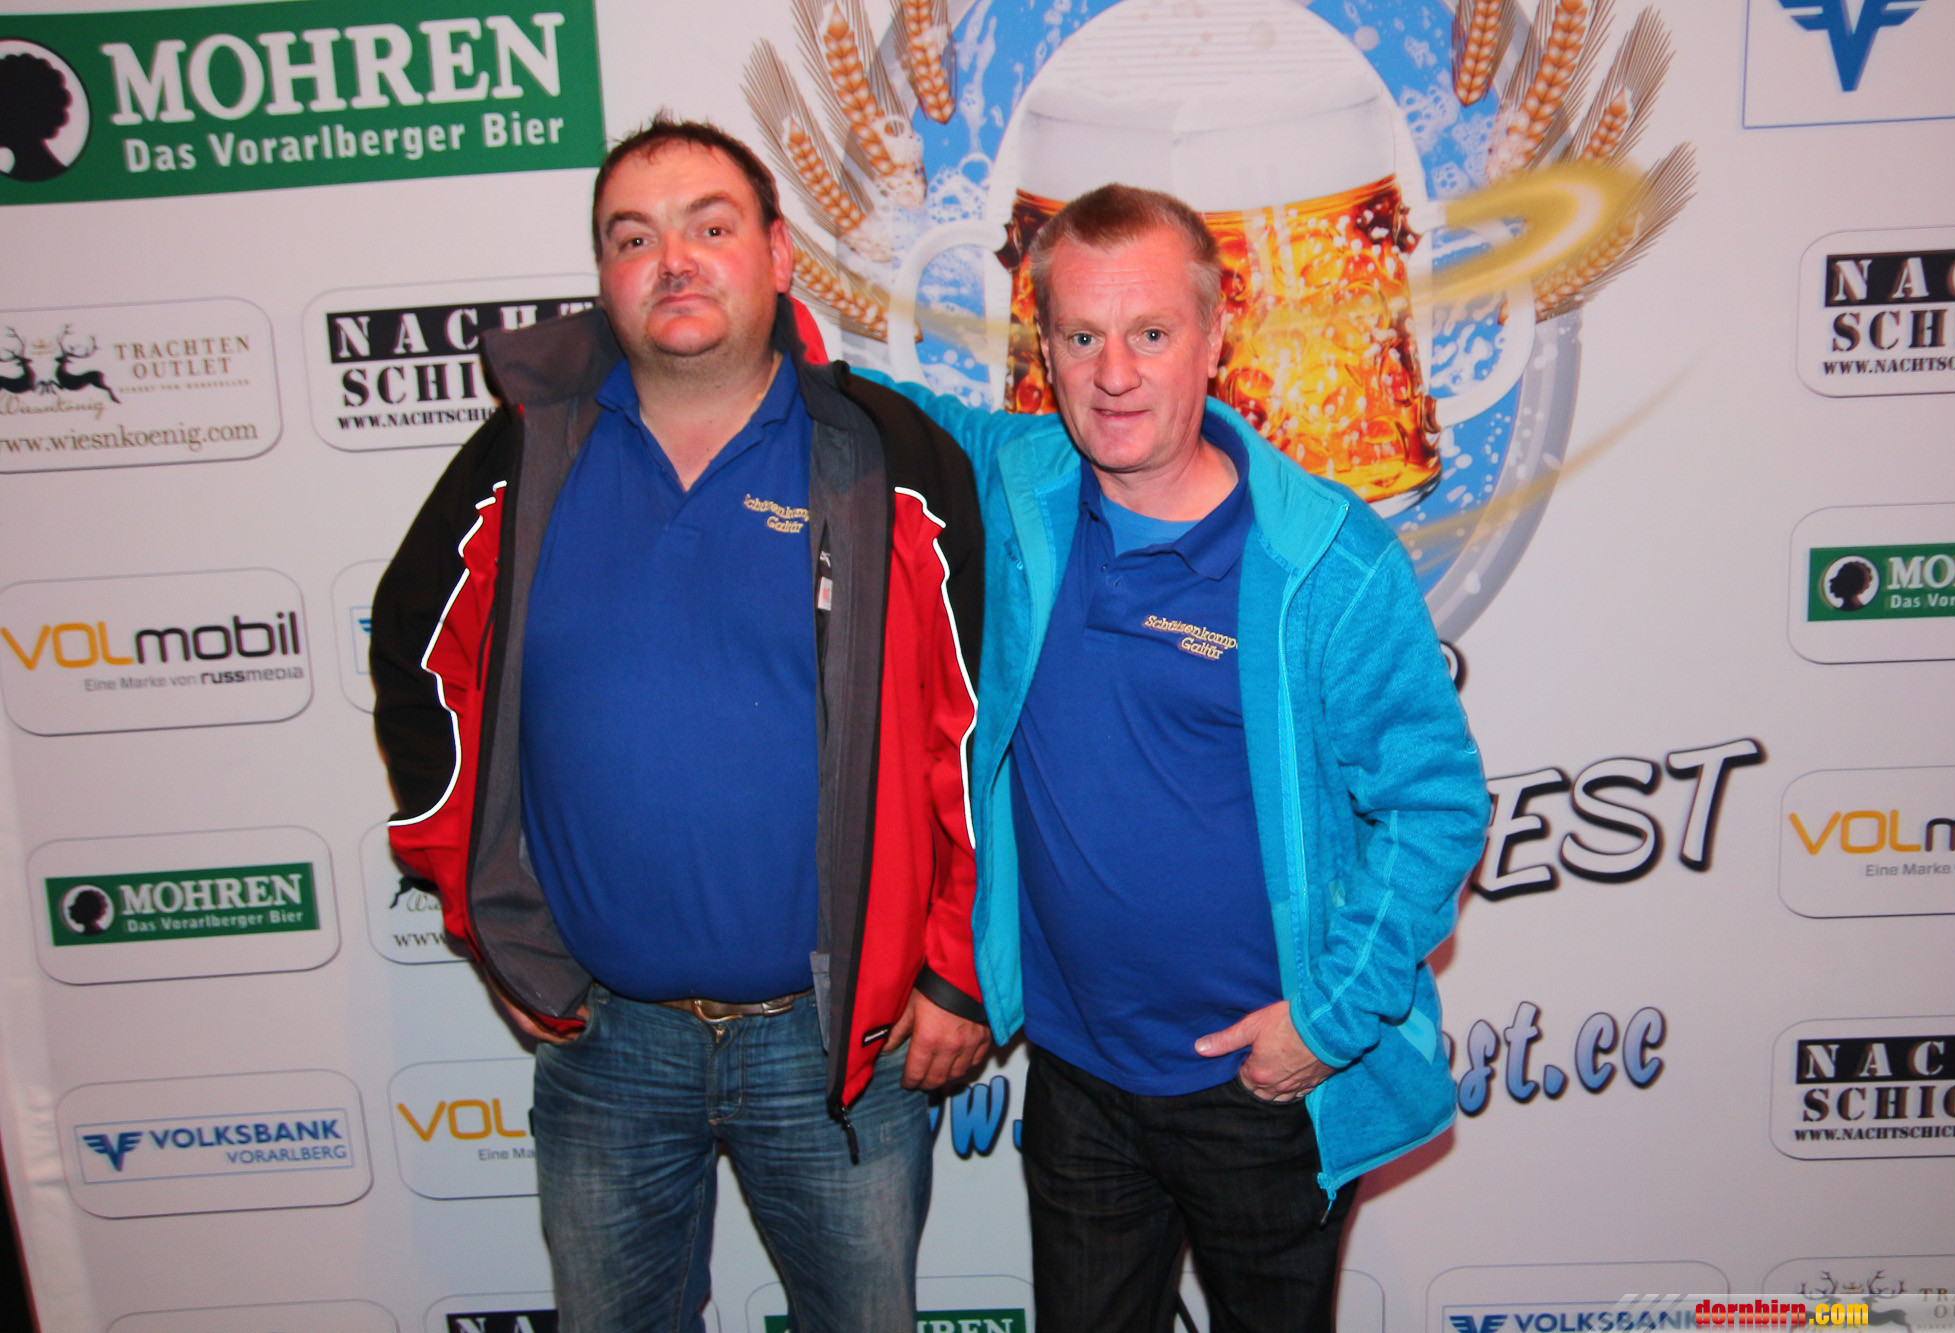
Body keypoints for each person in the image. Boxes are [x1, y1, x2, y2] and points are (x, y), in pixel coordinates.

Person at [371, 117, 991, 1332]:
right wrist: (489, 914)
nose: (673, 261)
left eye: (709, 227)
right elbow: (415, 662)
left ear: (777, 254)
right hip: (606, 1044)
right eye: (633, 237)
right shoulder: (523, 455)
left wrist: (956, 970)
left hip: (836, 1047)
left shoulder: (886, 457)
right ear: (603, 275)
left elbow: (970, 732)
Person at [862, 184, 1487, 1332]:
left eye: (1149, 333)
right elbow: (870, 407)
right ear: (1043, 348)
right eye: (1080, 337)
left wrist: (1325, 1021)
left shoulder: (1323, 559)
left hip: (1260, 1084)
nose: (1113, 374)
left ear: (1213, 334)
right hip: (1076, 1077)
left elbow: (1433, 805)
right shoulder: (1017, 479)